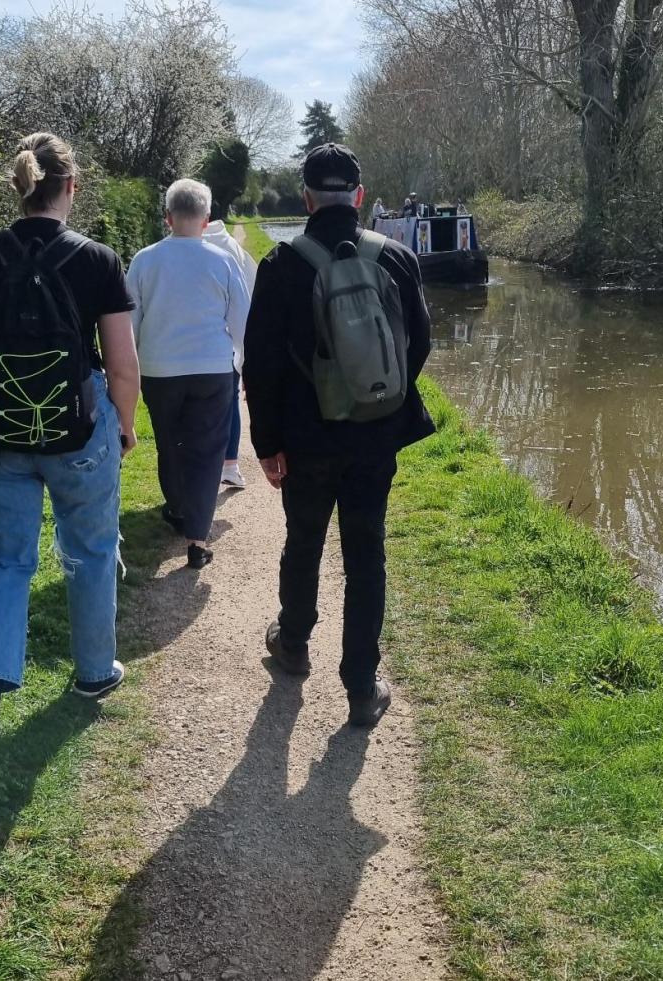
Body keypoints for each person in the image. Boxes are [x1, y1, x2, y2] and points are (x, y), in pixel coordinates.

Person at [0, 132, 140, 741]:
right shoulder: (98, 259)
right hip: (78, 433)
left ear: (20, 187)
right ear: (71, 187)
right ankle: (92, 673)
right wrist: (126, 424)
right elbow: (123, 363)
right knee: (90, 549)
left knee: (1, 555)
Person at [243, 143, 435, 727]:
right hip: (373, 439)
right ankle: (360, 686)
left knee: (303, 540)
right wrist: (382, 403)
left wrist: (268, 444)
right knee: (365, 552)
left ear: (305, 198)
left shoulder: (280, 266)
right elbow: (418, 345)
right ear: (359, 196)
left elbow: (261, 365)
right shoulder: (397, 258)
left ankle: (294, 644)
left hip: (304, 441)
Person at [127, 179, 249, 569]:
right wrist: (238, 363)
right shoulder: (223, 260)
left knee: (170, 442)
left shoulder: (144, 260)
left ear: (168, 218)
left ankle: (178, 508)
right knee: (208, 449)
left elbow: (130, 322)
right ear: (206, 219)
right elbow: (242, 321)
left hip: (159, 369)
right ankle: (197, 537)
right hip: (212, 369)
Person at [202, 219, 258, 489]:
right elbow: (248, 292)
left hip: (199, 343)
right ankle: (230, 465)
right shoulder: (233, 248)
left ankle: (203, 467)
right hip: (229, 341)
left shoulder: (190, 244)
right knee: (231, 401)